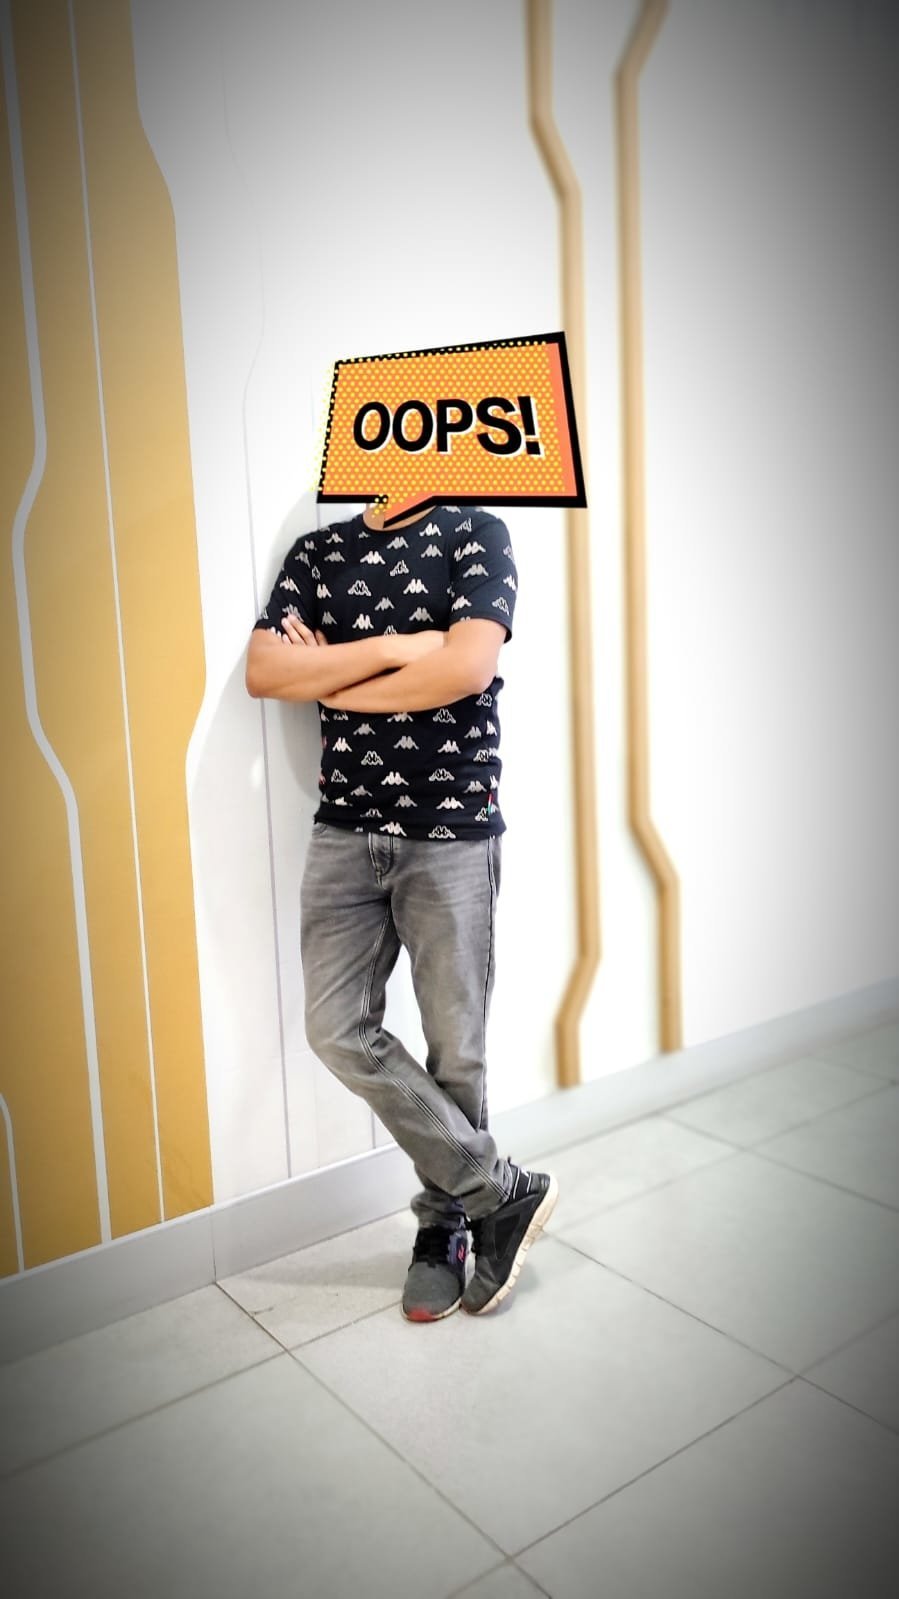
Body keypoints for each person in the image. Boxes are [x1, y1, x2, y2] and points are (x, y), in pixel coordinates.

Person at [246, 499, 558, 1319]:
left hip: (452, 828)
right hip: (343, 830)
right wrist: (396, 648)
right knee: (335, 1027)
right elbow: (266, 673)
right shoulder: (318, 553)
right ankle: (499, 1191)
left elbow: (465, 669)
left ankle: (443, 1228)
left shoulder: (477, 533)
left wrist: (333, 676)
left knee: (456, 1051)